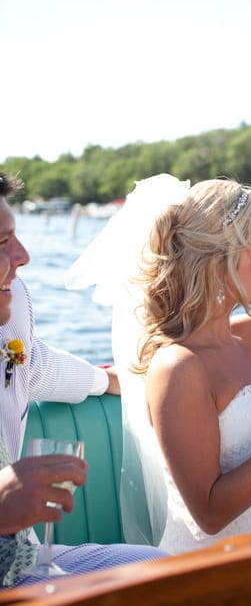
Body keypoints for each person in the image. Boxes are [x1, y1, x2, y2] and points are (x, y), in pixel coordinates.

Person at [66, 167, 251, 555]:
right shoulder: (178, 369)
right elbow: (209, 513)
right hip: (209, 571)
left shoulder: (244, 336)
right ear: (218, 259)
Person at [0, 172, 168, 590]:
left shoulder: (11, 303)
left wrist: (106, 380)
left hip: (21, 558)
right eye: (1, 243)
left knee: (162, 570)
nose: (23, 256)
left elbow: (26, 361)